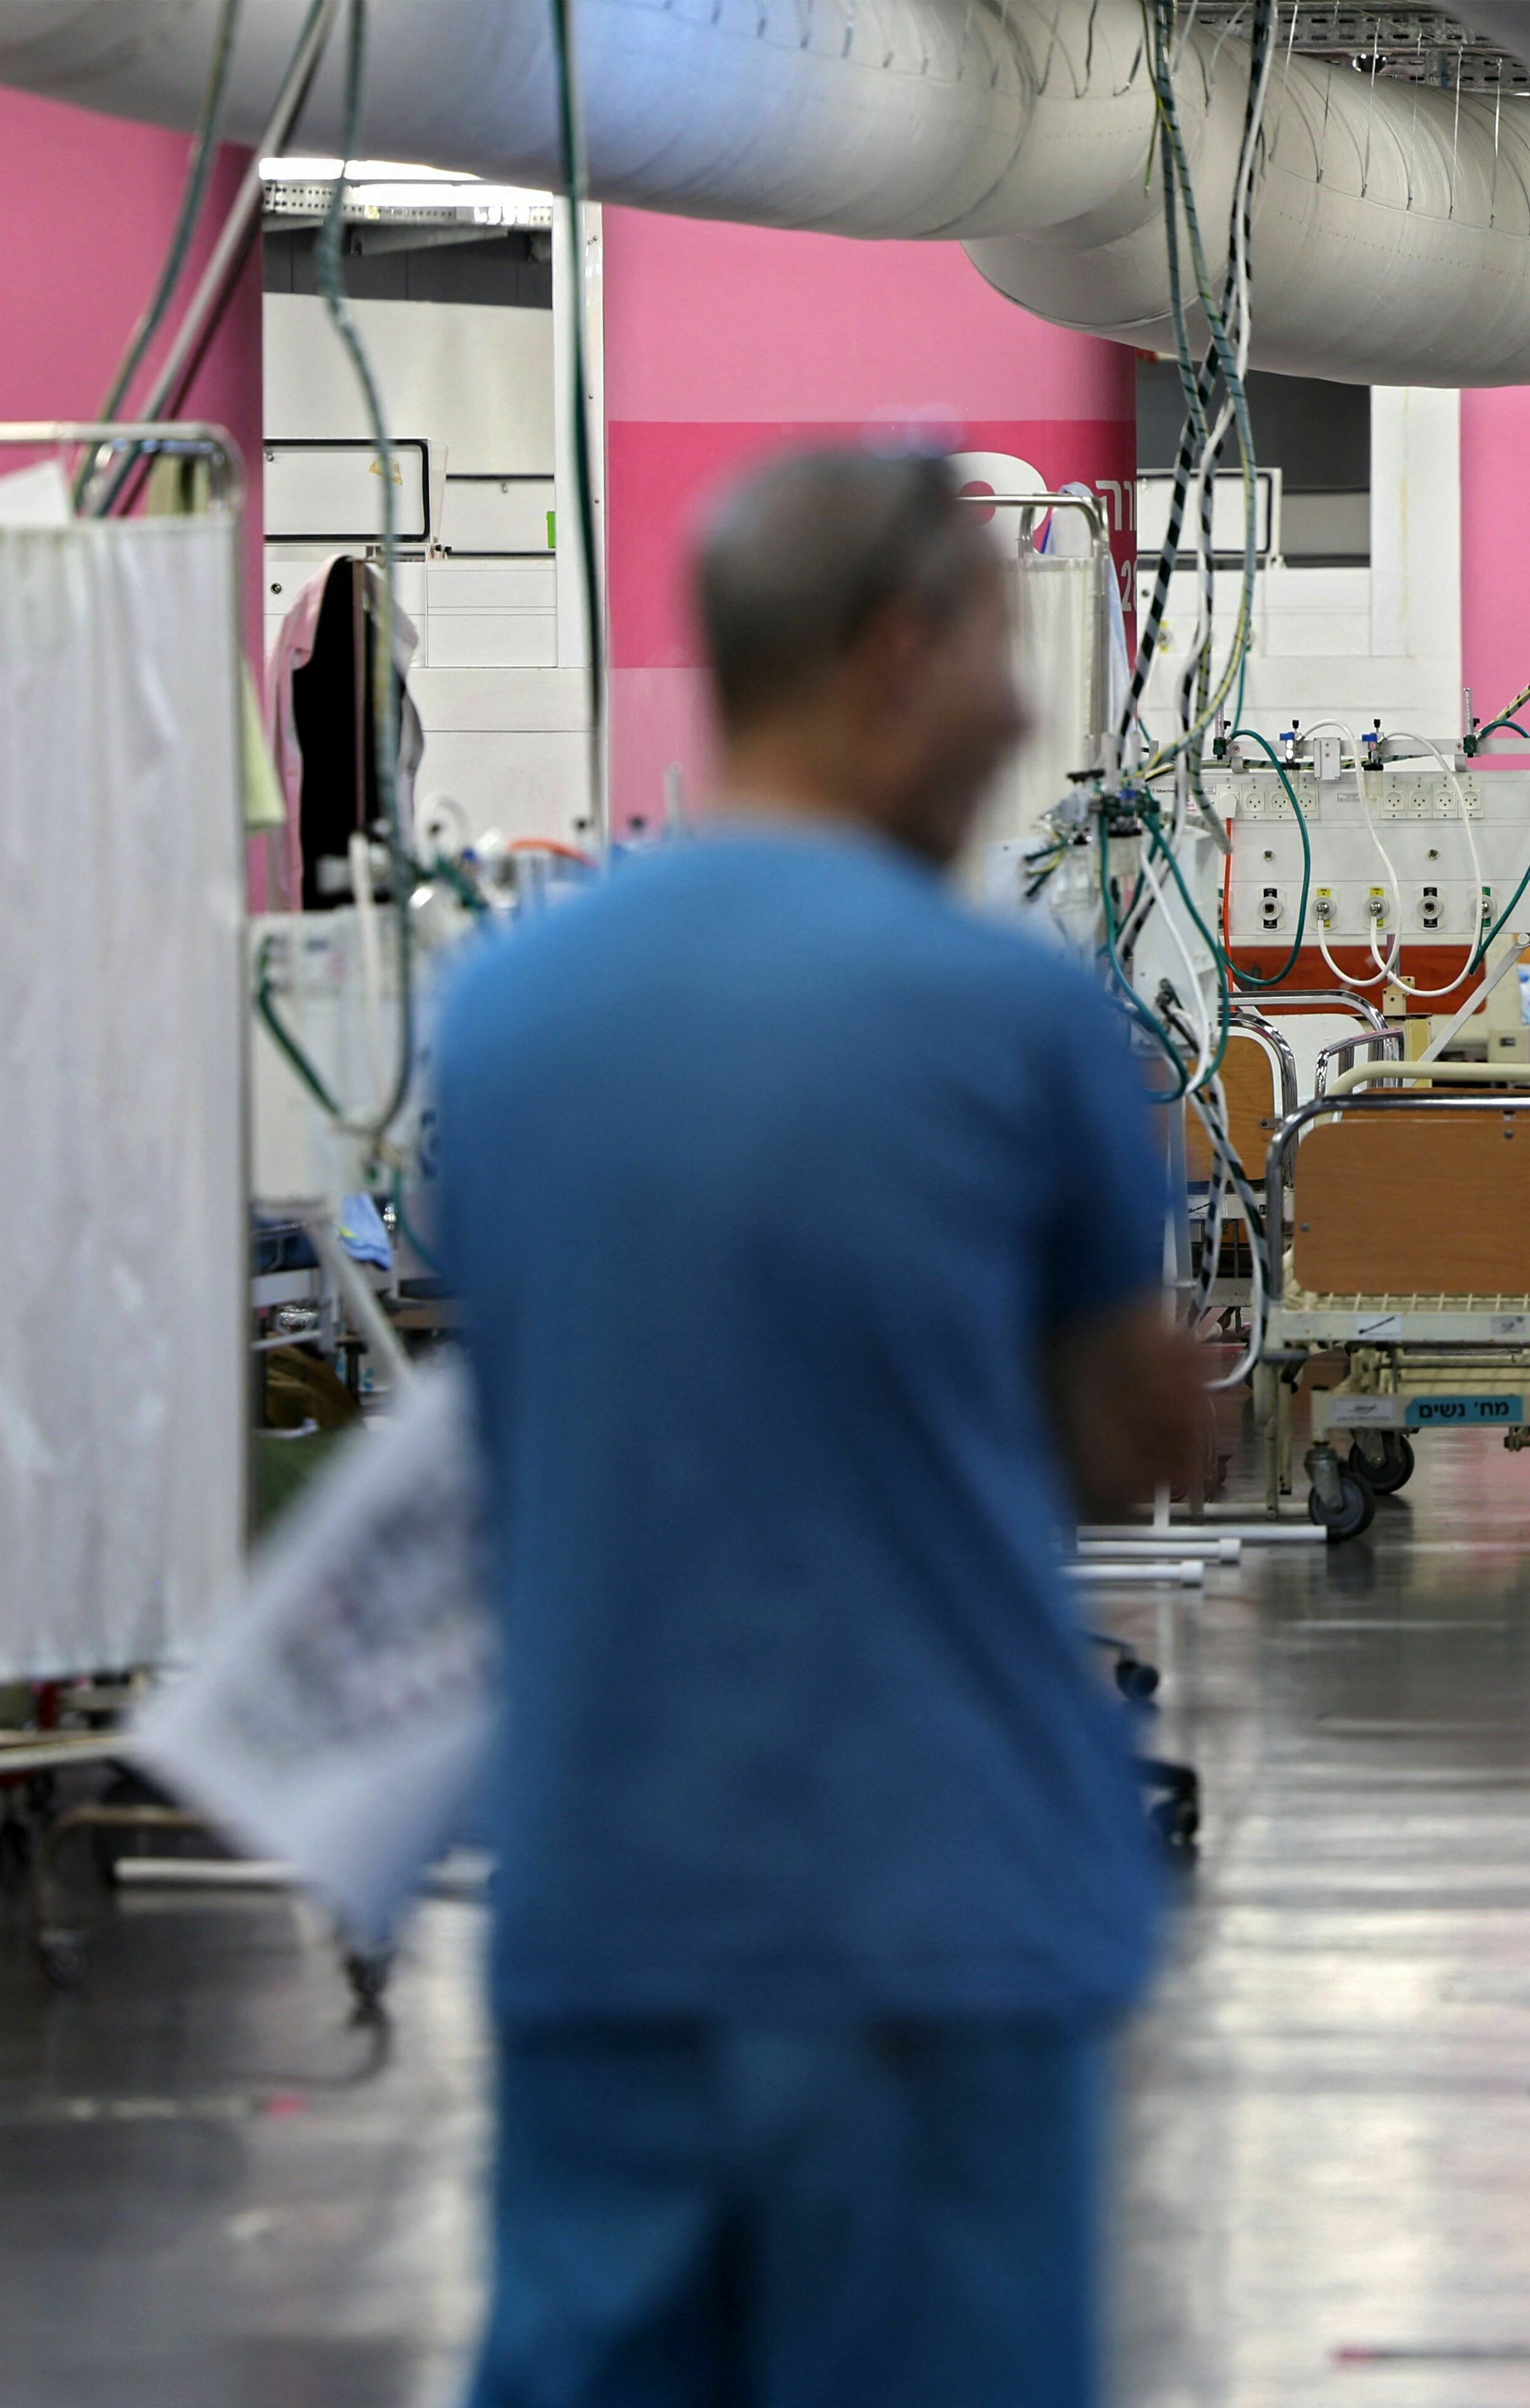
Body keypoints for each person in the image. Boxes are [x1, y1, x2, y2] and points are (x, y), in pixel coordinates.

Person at [433, 448, 1208, 2408]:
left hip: (606, 1903)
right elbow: (1130, 1439)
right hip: (917, 1926)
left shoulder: (505, 1020)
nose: (1030, 712)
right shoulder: (1015, 1023)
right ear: (896, 655)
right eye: (1005, 658)